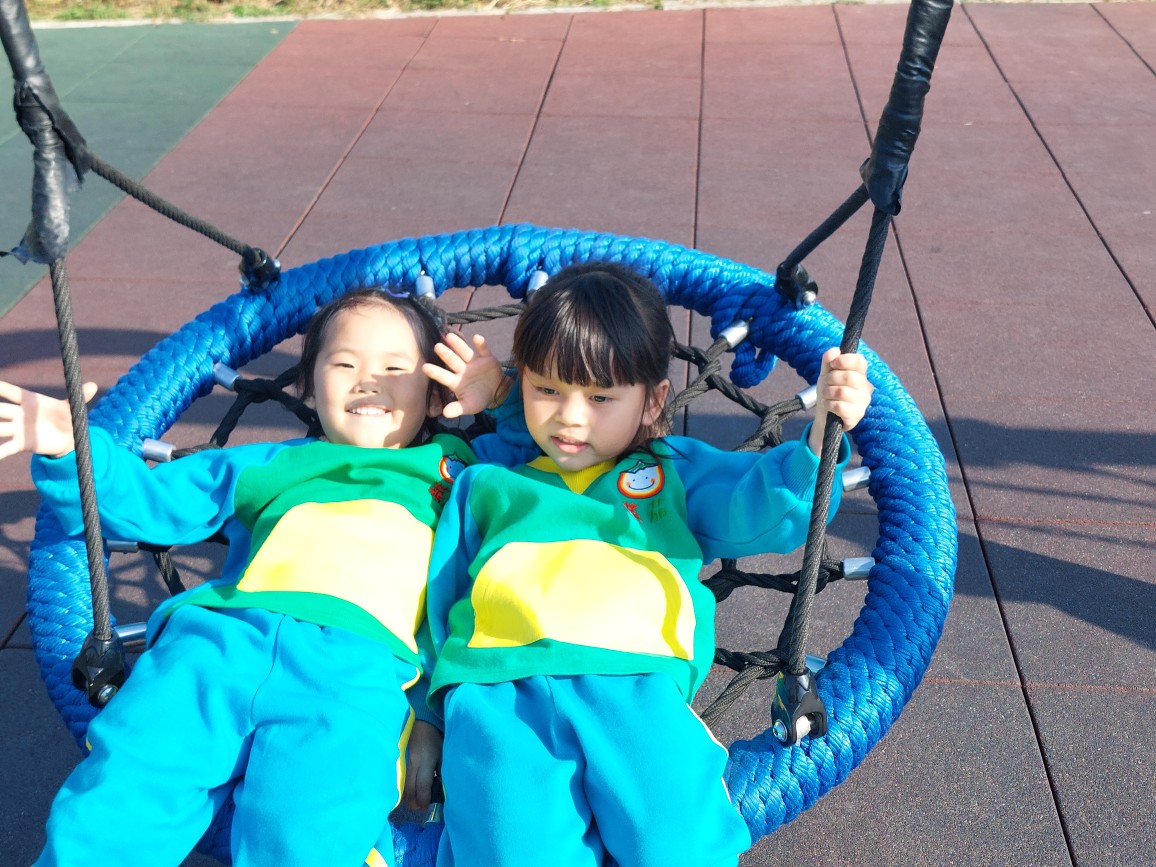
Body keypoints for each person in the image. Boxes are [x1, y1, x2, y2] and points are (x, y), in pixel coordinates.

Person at [0, 288, 531, 867]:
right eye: (344, 364)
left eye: (394, 368)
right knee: (124, 792)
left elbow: (555, 461)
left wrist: (501, 397)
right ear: (311, 388)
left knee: (314, 828)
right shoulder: (273, 463)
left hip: (357, 668)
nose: (368, 381)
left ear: (434, 396)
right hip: (219, 643)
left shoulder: (462, 473)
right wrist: (69, 447)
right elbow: (148, 500)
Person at [424, 262, 874, 867]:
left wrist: (821, 435)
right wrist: (424, 718)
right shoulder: (488, 478)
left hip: (634, 682)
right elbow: (436, 592)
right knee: (508, 849)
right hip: (497, 693)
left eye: (600, 397)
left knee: (679, 842)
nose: (570, 417)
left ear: (653, 399)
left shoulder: (670, 472)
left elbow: (762, 505)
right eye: (546, 390)